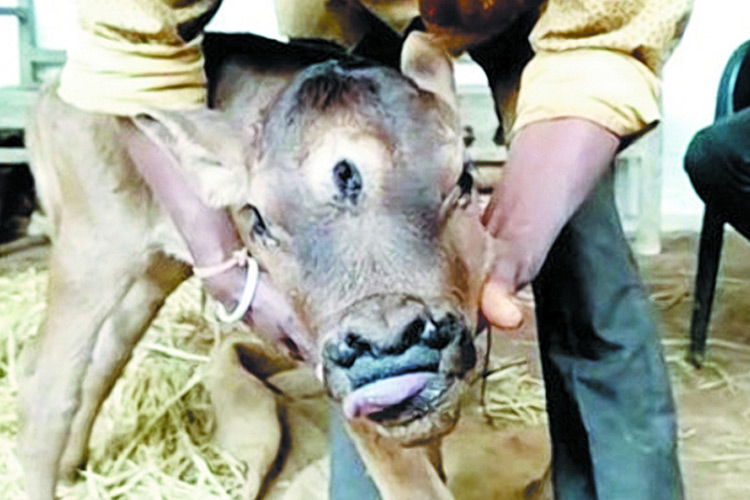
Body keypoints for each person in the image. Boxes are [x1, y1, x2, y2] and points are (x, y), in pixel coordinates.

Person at [55, 1, 691, 498]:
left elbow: (604, 38)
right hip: (350, 24)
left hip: (539, 24)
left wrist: (517, 238)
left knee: (586, 268)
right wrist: (230, 272)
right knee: (344, 264)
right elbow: (131, 48)